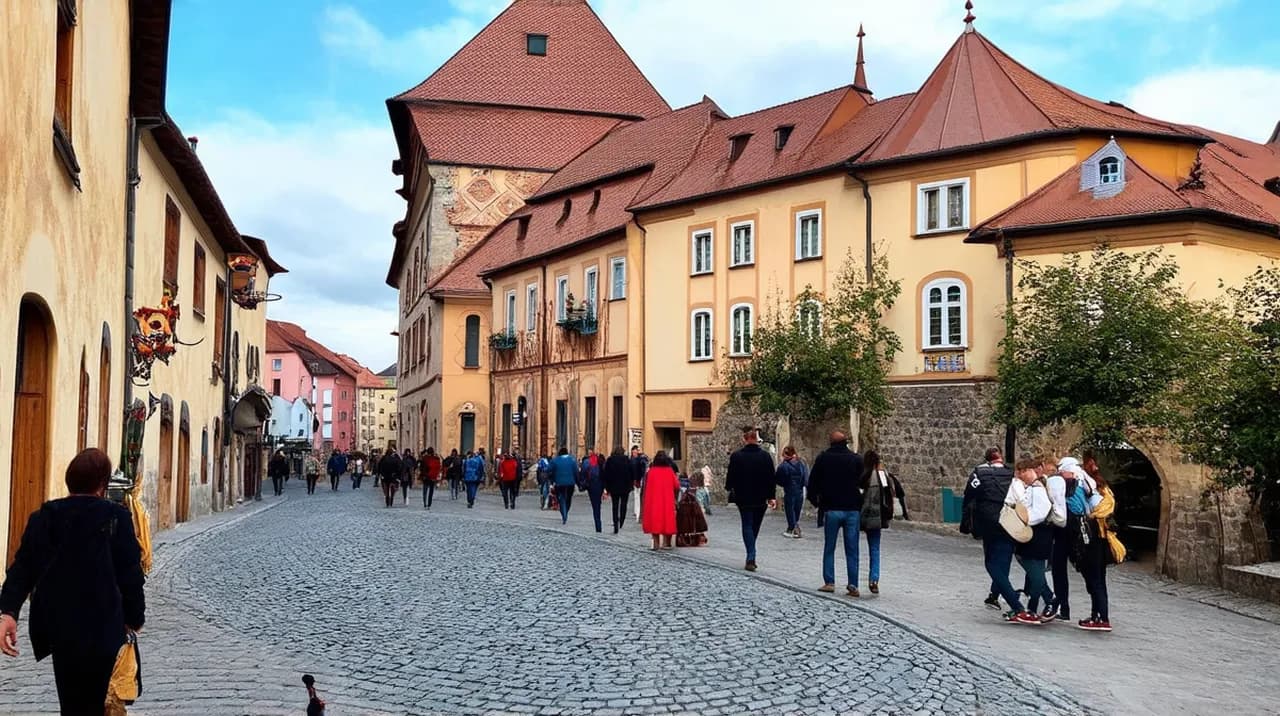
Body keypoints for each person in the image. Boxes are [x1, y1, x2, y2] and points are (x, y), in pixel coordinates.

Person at [0, 448, 146, 714]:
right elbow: (130, 573)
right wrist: (135, 617)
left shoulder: (44, 517)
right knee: (98, 700)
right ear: (103, 484)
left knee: (71, 701)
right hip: (104, 624)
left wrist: (8, 612)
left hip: (60, 627)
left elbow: (22, 568)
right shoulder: (116, 517)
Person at [962, 448, 1038, 623]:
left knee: (991, 564)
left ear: (987, 460)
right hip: (1010, 522)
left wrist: (967, 523)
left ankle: (1016, 605)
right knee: (1003, 562)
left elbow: (969, 497)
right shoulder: (1012, 475)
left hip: (988, 522)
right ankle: (996, 596)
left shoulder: (979, 474)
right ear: (1001, 459)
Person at [807, 430, 865, 596]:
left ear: (830, 442)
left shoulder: (823, 458)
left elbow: (812, 484)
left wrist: (817, 502)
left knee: (829, 547)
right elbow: (864, 483)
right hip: (852, 509)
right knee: (852, 548)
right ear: (846, 442)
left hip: (831, 508)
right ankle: (853, 584)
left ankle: (829, 581)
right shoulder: (856, 459)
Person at [1078, 456, 1123, 632]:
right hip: (1100, 538)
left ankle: (1102, 617)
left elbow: (1103, 510)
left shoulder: (1099, 492)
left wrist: (1090, 515)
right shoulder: (1104, 489)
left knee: (1095, 579)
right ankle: (1097, 614)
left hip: (1097, 539)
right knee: (1098, 579)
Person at [724, 427, 776, 572]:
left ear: (745, 439)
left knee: (747, 524)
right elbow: (771, 478)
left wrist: (729, 488)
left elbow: (731, 476)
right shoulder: (765, 456)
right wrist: (771, 496)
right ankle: (751, 553)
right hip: (761, 497)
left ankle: (751, 555)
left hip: (743, 496)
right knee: (755, 526)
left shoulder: (737, 456)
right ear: (757, 440)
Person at [1010, 457, 1055, 623]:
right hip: (1031, 536)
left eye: (1024, 471)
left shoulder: (1038, 489)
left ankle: (1038, 606)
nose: (1021, 475)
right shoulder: (1031, 488)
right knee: (1034, 573)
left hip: (1036, 537)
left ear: (1031, 471)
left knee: (1036, 575)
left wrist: (1025, 520)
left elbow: (1040, 512)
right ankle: (1046, 603)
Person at [860, 450, 903, 594]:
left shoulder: (863, 476)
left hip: (862, 516)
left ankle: (852, 581)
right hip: (878, 517)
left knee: (853, 548)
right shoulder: (883, 476)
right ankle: (874, 578)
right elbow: (893, 494)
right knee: (875, 549)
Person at [641, 451, 680, 549]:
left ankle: (656, 543)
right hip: (667, 500)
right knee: (668, 521)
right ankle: (667, 543)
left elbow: (646, 487)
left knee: (655, 521)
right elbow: (677, 485)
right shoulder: (669, 471)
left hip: (654, 501)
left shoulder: (651, 472)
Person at [775, 446, 808, 539]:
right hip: (800, 490)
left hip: (790, 489)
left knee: (790, 510)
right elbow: (805, 477)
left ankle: (793, 527)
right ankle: (794, 526)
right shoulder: (801, 463)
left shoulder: (784, 466)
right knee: (797, 509)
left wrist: (784, 484)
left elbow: (779, 479)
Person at [603, 447, 634, 533]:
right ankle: (622, 520)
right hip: (625, 487)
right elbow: (631, 473)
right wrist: (630, 485)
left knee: (615, 506)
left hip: (614, 487)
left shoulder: (610, 460)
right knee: (624, 504)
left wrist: (607, 487)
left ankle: (615, 522)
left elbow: (606, 474)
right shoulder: (627, 460)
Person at [551, 447, 579, 525]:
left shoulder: (555, 460)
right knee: (569, 498)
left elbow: (549, 470)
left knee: (561, 499)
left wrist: (552, 480)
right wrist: (578, 483)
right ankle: (566, 510)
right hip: (570, 483)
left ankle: (564, 513)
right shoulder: (572, 460)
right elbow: (576, 472)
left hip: (559, 483)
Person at [583, 451, 606, 532]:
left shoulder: (587, 462)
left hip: (591, 485)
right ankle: (598, 524)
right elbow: (604, 474)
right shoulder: (601, 461)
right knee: (597, 505)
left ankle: (598, 524)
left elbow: (583, 473)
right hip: (599, 485)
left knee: (595, 505)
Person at [629, 446, 649, 521]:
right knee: (636, 496)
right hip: (635, 480)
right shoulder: (632, 460)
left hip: (639, 480)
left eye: (635, 452)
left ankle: (638, 512)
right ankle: (636, 511)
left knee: (638, 496)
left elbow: (642, 470)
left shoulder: (640, 460)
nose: (634, 453)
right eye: (633, 452)